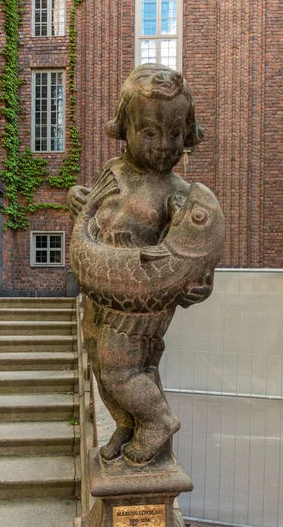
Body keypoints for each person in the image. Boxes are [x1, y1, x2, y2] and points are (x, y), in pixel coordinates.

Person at [68, 64, 213, 464]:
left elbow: (193, 253)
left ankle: (157, 421)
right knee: (100, 364)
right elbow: (94, 205)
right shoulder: (113, 171)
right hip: (99, 294)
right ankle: (126, 425)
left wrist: (198, 287)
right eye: (149, 132)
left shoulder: (179, 194)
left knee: (125, 370)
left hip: (139, 305)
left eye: (175, 134)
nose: (164, 145)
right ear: (125, 128)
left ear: (188, 133)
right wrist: (77, 200)